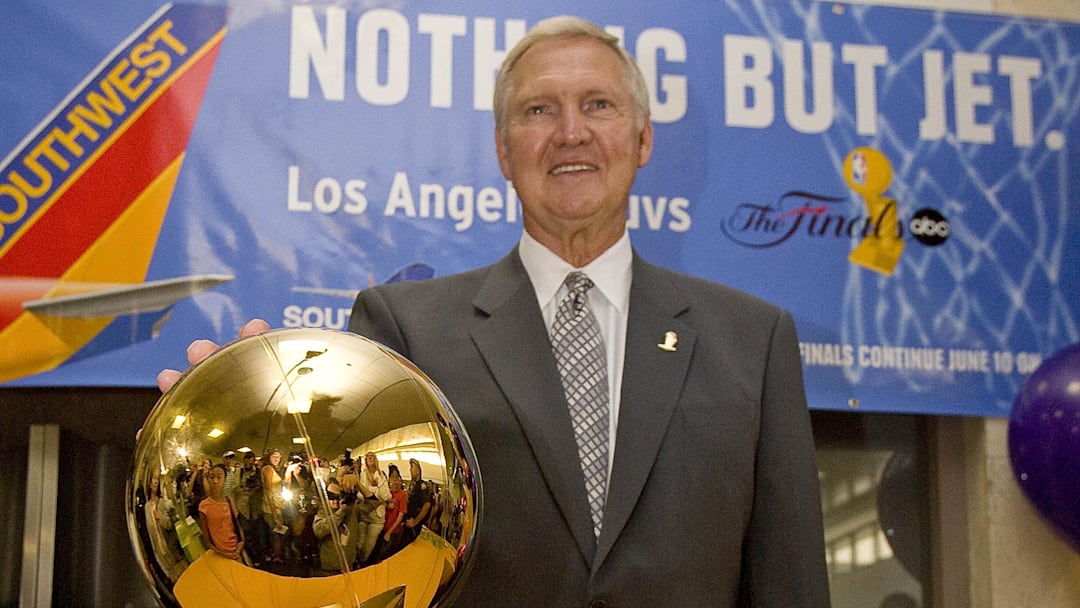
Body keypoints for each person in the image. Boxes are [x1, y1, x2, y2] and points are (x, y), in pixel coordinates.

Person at [159, 15, 829, 606]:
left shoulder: (754, 339)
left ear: (644, 140)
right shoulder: (403, 330)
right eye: (539, 110)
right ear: (504, 150)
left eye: (597, 104)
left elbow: (790, 579)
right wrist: (247, 432)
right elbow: (348, 546)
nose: (571, 133)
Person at [311, 478, 361, 576]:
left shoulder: (352, 511)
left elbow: (373, 504)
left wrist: (358, 484)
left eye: (337, 497)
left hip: (349, 566)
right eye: (330, 496)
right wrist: (340, 513)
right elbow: (319, 530)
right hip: (330, 569)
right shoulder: (323, 512)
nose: (334, 500)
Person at [197, 464, 245, 561]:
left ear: (225, 480)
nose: (215, 481)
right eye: (212, 477)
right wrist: (225, 555)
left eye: (219, 477)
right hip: (219, 554)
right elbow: (207, 541)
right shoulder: (204, 506)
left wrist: (239, 549)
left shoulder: (229, 501)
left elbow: (238, 528)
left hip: (236, 550)